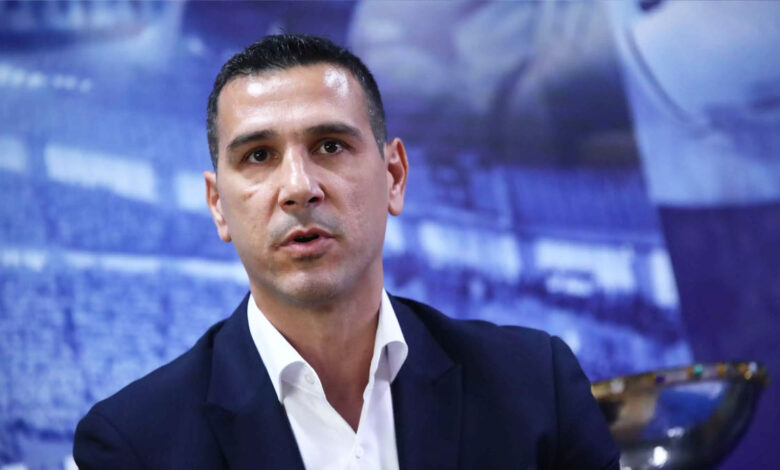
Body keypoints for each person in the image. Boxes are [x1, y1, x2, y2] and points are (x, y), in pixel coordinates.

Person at [73, 34, 620, 470]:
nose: (298, 187)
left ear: (394, 176)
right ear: (218, 205)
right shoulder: (134, 446)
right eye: (259, 155)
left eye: (330, 145)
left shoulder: (537, 388)